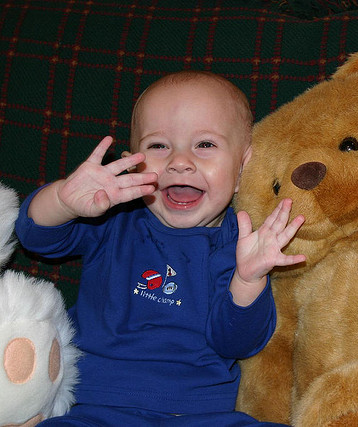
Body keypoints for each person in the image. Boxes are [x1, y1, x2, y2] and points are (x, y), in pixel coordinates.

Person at [15, 71, 305, 426]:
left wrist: (248, 280)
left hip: (202, 414)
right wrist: (63, 201)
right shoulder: (111, 218)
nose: (179, 161)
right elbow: (36, 238)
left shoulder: (244, 245)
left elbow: (238, 344)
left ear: (244, 168)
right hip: (97, 407)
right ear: (132, 162)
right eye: (158, 146)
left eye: (205, 145)